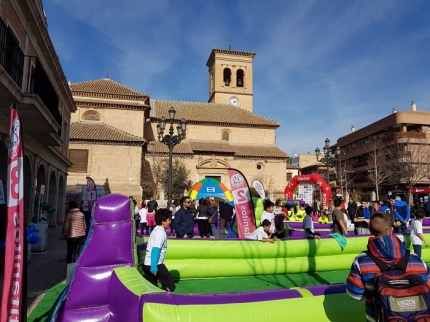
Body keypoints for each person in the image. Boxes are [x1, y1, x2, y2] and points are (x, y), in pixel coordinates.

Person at [346, 212, 430, 321]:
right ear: (391, 230)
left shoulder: (361, 261)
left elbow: (356, 294)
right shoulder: (415, 259)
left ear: (370, 231)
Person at [142, 208, 175, 292]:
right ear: (163, 221)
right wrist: (154, 268)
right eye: (169, 220)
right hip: (155, 264)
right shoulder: (160, 233)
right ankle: (163, 301)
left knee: (152, 287)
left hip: (147, 263)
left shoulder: (156, 229)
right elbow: (155, 250)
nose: (170, 221)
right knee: (169, 285)